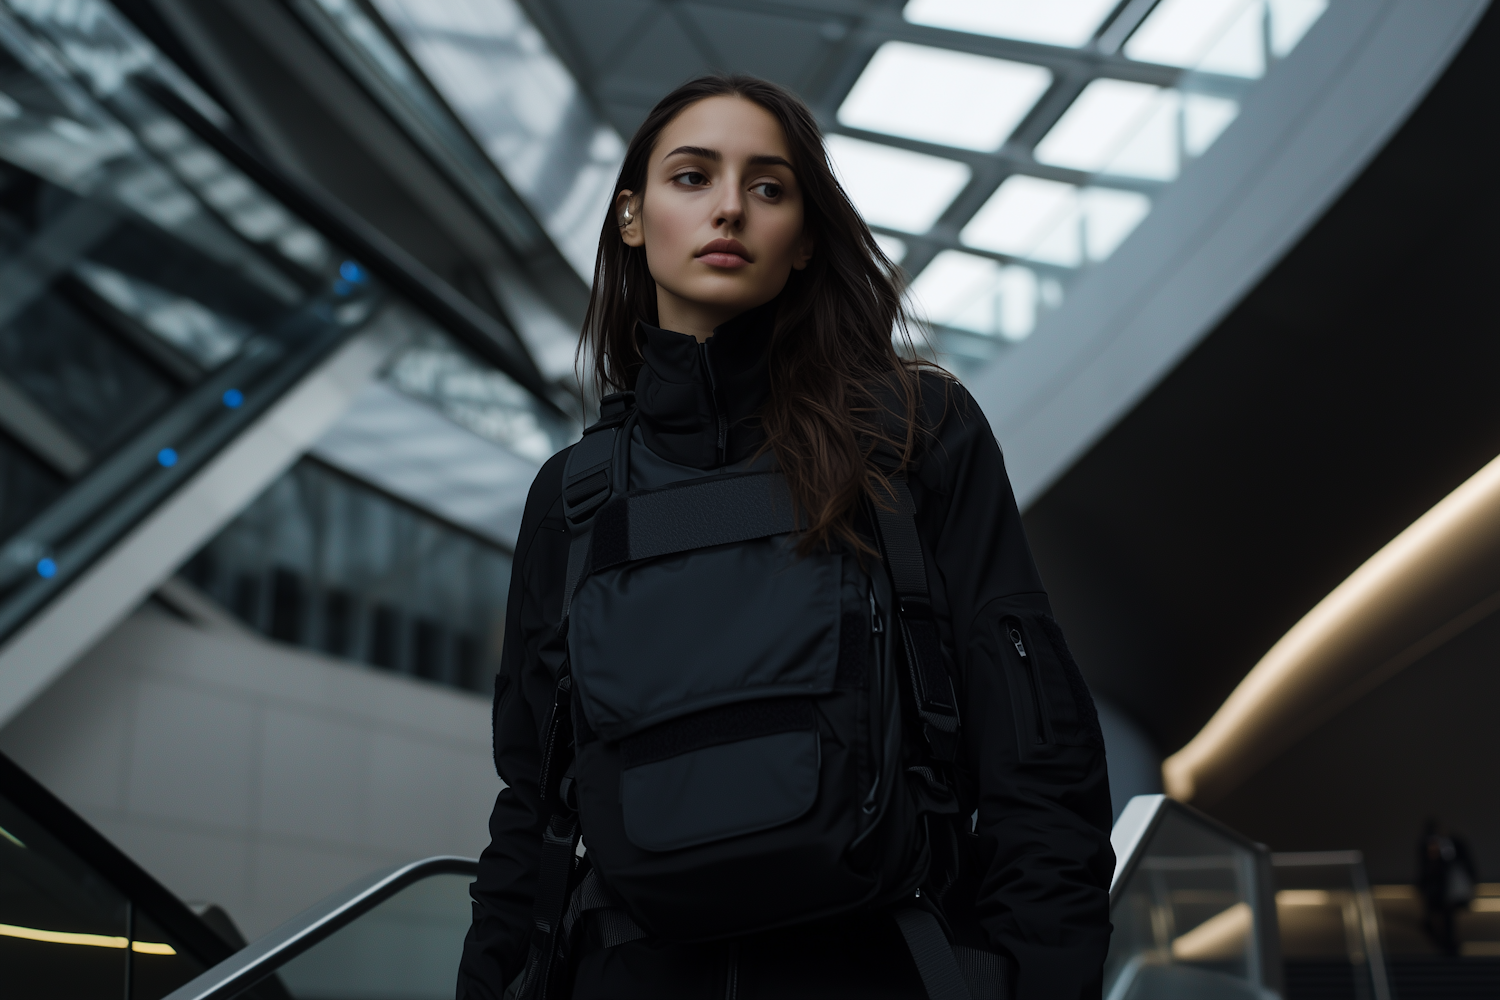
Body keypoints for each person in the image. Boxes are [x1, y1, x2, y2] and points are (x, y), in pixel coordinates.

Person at [457, 74, 1114, 1000]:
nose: (730, 208)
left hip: (883, 968)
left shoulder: (914, 431)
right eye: (692, 178)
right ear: (633, 219)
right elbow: (529, 812)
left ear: (804, 240)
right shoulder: (571, 498)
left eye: (768, 188)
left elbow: (1036, 757)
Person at [1418, 819, 1477, 956]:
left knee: (1446, 917)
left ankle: (1448, 945)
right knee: (1441, 918)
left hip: (1444, 888)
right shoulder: (1430, 845)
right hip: (1438, 887)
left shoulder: (1450, 844)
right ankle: (1447, 944)